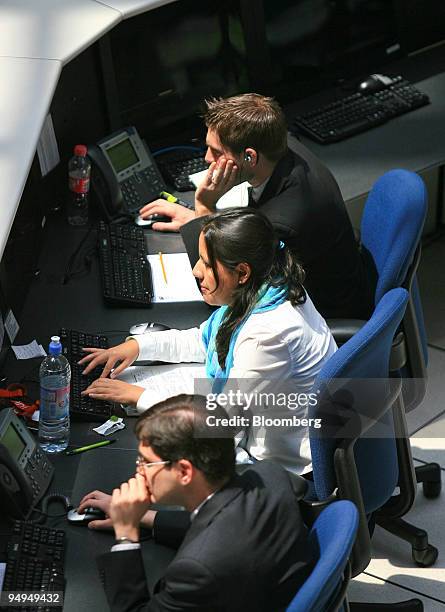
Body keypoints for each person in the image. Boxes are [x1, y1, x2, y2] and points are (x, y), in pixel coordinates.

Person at [80, 208, 336, 474]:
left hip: (281, 470)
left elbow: (217, 427)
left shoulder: (267, 337)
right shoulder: (270, 286)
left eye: (206, 262)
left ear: (242, 272)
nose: (196, 270)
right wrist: (138, 346)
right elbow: (206, 341)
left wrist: (139, 396)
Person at [139, 93, 376, 319]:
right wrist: (198, 218)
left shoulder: (282, 222)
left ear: (250, 157)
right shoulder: (278, 144)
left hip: (325, 315)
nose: (207, 159)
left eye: (216, 152)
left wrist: (204, 208)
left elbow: (222, 289)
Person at [81, 394, 315, 612]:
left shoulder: (197, 570)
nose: (138, 471)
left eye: (146, 463)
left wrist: (125, 535)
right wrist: (143, 516)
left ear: (184, 471)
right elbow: (221, 520)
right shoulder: (270, 476)